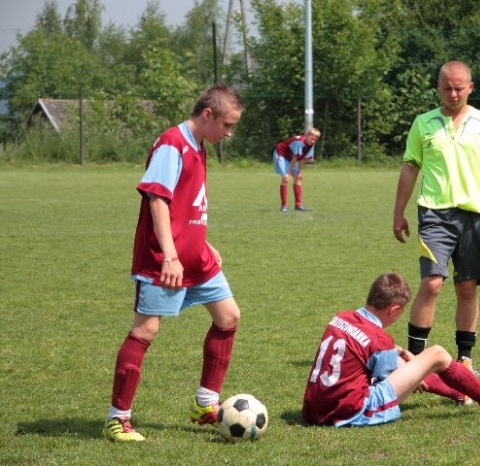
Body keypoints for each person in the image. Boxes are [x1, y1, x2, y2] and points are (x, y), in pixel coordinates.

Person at [102, 84, 244, 442]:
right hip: (165, 260)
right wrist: (170, 255)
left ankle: (205, 404)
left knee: (228, 317)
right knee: (145, 331)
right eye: (227, 124)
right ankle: (118, 418)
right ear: (208, 115)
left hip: (196, 258)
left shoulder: (198, 145)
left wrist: (201, 241)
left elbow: (186, 203)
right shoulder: (172, 144)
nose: (229, 133)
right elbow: (158, 200)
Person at [392, 60, 480, 397]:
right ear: (438, 87)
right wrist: (398, 213)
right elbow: (410, 167)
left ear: (470, 88)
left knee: (467, 287)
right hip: (435, 214)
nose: (453, 93)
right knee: (432, 283)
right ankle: (415, 362)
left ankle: (465, 360)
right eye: (447, 87)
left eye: (459, 88)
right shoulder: (423, 123)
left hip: (474, 216)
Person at [302, 272, 480, 427]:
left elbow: (364, 349)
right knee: (437, 354)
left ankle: (461, 394)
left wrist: (402, 354)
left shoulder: (341, 317)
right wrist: (411, 369)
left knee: (406, 363)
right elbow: (393, 378)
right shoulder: (379, 340)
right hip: (350, 411)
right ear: (394, 309)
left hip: (314, 409)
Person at [273, 127, 321, 212]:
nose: (313, 141)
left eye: (315, 140)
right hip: (281, 154)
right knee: (285, 178)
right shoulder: (300, 142)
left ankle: (298, 205)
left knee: (298, 178)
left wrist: (299, 172)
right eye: (312, 138)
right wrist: (288, 173)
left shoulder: (311, 144)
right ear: (307, 136)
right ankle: (284, 206)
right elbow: (295, 157)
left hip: (291, 157)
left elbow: (302, 158)